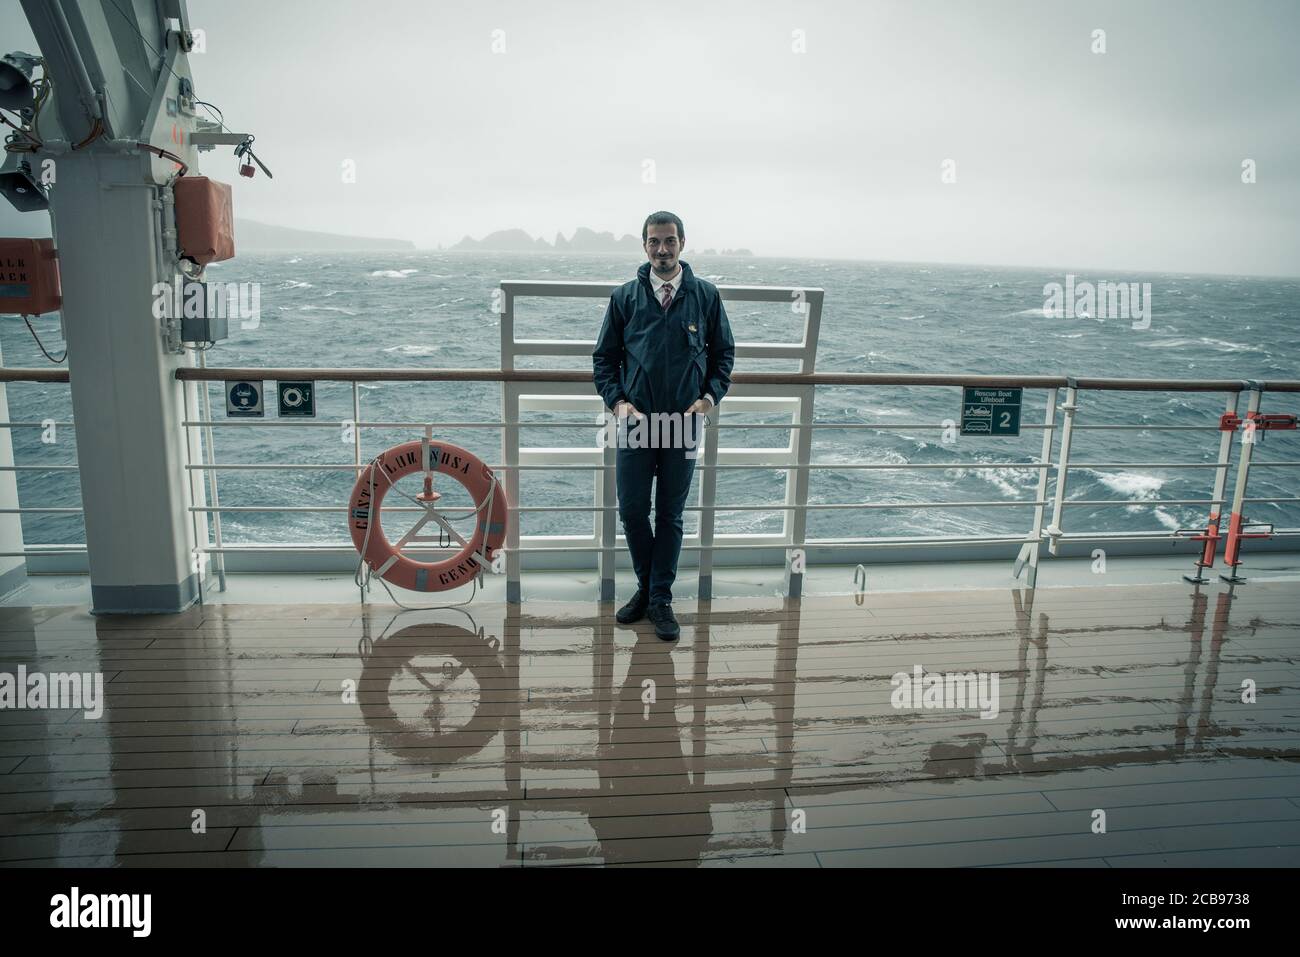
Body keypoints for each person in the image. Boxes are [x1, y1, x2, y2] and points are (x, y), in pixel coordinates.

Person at [592, 211, 735, 640]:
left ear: (682, 243)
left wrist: (707, 399)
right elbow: (604, 359)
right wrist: (617, 403)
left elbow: (724, 355)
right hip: (636, 422)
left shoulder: (705, 296)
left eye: (669, 241)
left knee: (670, 515)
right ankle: (645, 588)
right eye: (654, 242)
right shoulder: (625, 298)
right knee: (634, 511)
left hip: (683, 423)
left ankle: (660, 598)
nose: (662, 249)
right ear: (644, 247)